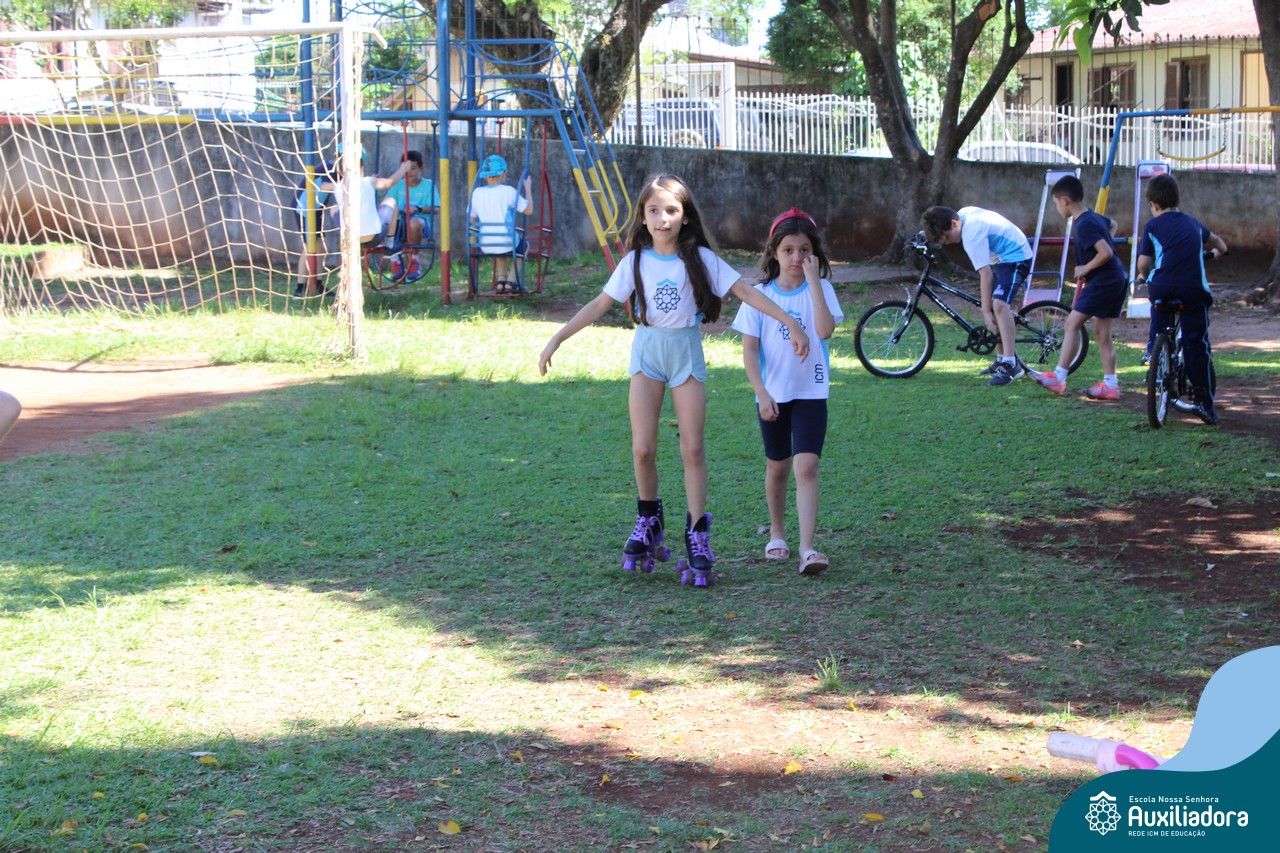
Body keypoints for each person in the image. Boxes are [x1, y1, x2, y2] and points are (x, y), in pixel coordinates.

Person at [538, 174, 810, 588]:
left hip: (686, 355)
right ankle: (648, 520)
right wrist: (557, 338)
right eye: (653, 211)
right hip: (647, 355)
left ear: (685, 216)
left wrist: (789, 320)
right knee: (643, 448)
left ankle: (697, 533)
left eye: (671, 210)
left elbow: (747, 293)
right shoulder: (635, 261)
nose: (662, 218)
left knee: (693, 448)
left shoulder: (699, 259)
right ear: (642, 217)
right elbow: (599, 303)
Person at [731, 208, 843, 576]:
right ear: (774, 253)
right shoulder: (759, 295)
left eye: (805, 250)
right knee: (777, 466)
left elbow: (824, 331)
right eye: (789, 250)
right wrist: (761, 392)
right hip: (773, 395)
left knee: (806, 466)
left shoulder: (821, 289)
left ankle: (807, 548)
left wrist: (814, 283)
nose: (797, 258)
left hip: (812, 392)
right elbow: (749, 352)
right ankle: (777, 533)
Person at [1135, 173, 1228, 425]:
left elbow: (1143, 263)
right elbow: (1218, 243)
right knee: (1196, 343)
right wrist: (1219, 252)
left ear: (1153, 204)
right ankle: (1204, 404)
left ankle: (1153, 348)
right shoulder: (1194, 224)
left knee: (1158, 305)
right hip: (1192, 289)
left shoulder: (1152, 226)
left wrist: (1144, 276)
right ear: (1177, 199)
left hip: (1162, 286)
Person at [1029, 175, 1127, 400]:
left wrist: (1086, 267)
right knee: (1103, 333)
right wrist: (1099, 251)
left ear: (1065, 200)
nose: (1057, 208)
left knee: (1071, 324)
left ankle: (1058, 377)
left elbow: (1106, 252)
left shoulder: (1084, 224)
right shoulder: (1093, 218)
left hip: (1104, 280)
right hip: (1117, 277)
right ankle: (1111, 385)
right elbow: (1112, 224)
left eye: (1056, 203)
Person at [921, 204, 1032, 386]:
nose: (946, 242)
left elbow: (986, 275)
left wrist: (986, 313)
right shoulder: (962, 215)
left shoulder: (971, 235)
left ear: (954, 223)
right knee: (995, 305)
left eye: (946, 237)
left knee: (999, 305)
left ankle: (1011, 364)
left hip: (1015, 257)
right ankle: (1001, 359)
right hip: (1000, 258)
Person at [470, 154, 531, 293]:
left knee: (499, 243)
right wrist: (528, 188)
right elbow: (529, 210)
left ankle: (500, 281)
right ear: (504, 173)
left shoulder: (477, 193)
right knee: (524, 246)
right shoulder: (508, 191)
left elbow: (471, 219)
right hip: (506, 242)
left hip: (485, 244)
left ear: (485, 176)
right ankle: (511, 281)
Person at [378, 150, 439, 282]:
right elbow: (387, 205)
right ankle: (395, 261)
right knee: (383, 224)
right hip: (398, 222)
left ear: (421, 168)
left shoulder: (428, 185)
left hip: (420, 222)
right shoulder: (397, 186)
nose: (409, 172)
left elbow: (436, 209)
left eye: (413, 169)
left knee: (414, 223)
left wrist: (418, 208)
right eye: (405, 169)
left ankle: (414, 260)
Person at [292, 159, 337, 300]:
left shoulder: (341, 172)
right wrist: (345, 185)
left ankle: (318, 284)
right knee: (309, 247)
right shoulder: (330, 168)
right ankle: (299, 289)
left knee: (321, 247)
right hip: (304, 209)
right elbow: (324, 186)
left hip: (316, 209)